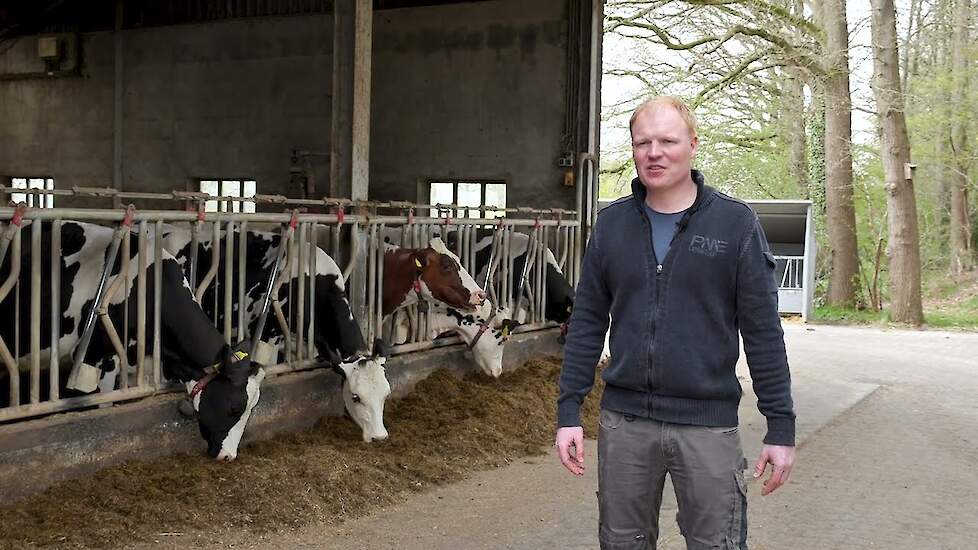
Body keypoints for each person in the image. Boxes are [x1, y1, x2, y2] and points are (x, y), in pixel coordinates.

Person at [554, 96, 796, 550]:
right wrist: (569, 410)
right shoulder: (612, 226)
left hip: (706, 425)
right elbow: (587, 322)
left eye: (667, 140)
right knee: (622, 543)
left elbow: (763, 333)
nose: (654, 152)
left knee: (716, 543)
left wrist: (780, 425)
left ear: (692, 145)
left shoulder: (735, 225)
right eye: (643, 142)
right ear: (632, 150)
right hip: (625, 424)